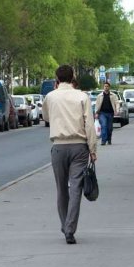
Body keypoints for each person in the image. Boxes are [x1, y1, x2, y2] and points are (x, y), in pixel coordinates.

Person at [43, 65, 97, 245]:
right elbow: (89, 124)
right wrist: (93, 149)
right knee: (76, 189)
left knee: (61, 189)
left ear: (56, 79)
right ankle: (70, 228)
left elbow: (46, 117)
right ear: (73, 77)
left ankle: (64, 224)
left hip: (58, 146)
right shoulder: (82, 96)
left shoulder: (50, 97)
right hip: (79, 147)